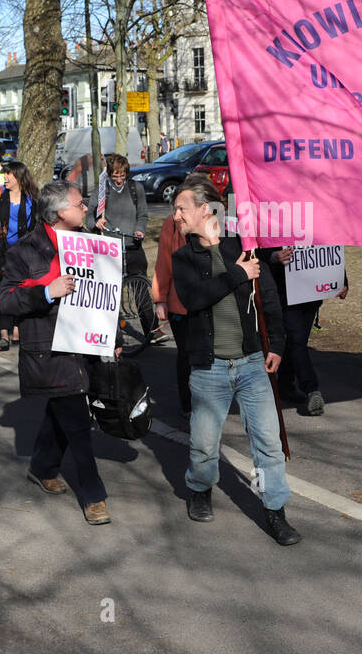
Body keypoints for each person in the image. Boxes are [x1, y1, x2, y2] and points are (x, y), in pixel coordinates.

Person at [171, 179, 299, 546]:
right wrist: (238, 275)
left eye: (181, 208)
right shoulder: (184, 258)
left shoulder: (243, 246)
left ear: (205, 209)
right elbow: (194, 299)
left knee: (268, 444)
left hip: (252, 364)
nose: (176, 215)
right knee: (204, 445)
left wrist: (277, 344)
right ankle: (199, 487)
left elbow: (268, 297)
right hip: (209, 368)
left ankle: (276, 512)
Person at [0, 180, 111, 525]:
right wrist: (47, 292)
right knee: (77, 420)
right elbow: (5, 299)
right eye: (80, 204)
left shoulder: (91, 241)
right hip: (49, 348)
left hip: (86, 344)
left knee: (64, 410)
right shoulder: (24, 251)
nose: (86, 208)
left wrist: (111, 334)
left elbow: (104, 291)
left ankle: (42, 465)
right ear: (61, 212)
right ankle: (94, 496)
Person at [257, 244, 349, 417]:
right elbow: (259, 250)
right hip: (285, 293)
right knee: (297, 341)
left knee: (296, 342)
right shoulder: (273, 221)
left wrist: (342, 280)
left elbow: (329, 246)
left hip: (312, 292)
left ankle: (285, 386)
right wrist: (275, 257)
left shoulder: (318, 219)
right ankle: (311, 389)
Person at [152, 173, 216, 415]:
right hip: (181, 304)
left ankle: (209, 400)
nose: (179, 213)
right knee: (187, 354)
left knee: (209, 353)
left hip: (211, 301)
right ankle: (188, 404)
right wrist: (160, 299)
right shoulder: (173, 223)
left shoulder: (218, 220)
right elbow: (164, 262)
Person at [0, 161, 39, 351]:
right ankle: (4, 331)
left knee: (21, 288)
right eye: (4, 173)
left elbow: (36, 226)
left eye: (9, 174)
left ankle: (17, 327)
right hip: (1, 250)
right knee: (2, 288)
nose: (4, 177)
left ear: (19, 177)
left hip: (24, 251)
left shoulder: (32, 197)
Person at [87, 153, 148, 276]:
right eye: (115, 176)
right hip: (109, 249)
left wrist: (139, 230)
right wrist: (95, 223)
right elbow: (89, 217)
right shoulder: (101, 190)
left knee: (140, 286)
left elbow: (143, 214)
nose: (119, 180)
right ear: (109, 174)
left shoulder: (136, 188)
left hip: (132, 246)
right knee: (114, 290)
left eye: (122, 176)